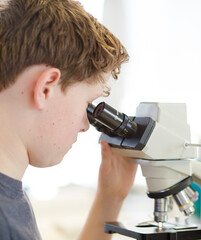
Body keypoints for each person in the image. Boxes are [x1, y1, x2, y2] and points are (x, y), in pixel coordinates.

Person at [0, 1, 138, 240]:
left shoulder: (9, 198)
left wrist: (110, 197)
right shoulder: (6, 223)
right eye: (87, 104)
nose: (85, 126)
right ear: (45, 88)